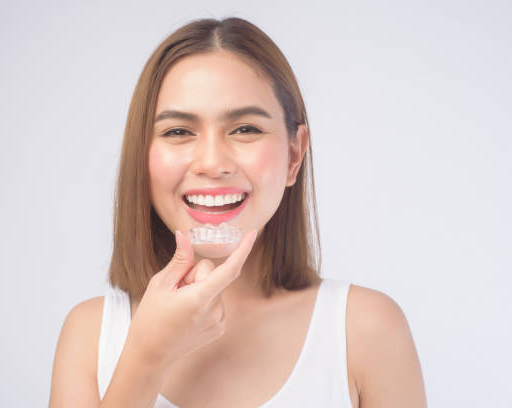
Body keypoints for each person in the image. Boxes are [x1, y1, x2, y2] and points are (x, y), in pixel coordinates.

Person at [48, 17, 427, 408]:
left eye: (245, 129)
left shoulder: (366, 330)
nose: (212, 163)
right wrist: (147, 358)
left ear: (294, 155)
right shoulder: (90, 335)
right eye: (178, 131)